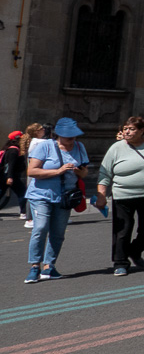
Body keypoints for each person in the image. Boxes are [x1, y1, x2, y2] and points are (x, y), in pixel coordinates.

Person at [97, 116, 144, 275]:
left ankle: (134, 250)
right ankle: (120, 262)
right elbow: (105, 173)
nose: (127, 132)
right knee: (122, 231)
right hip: (122, 196)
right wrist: (101, 195)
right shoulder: (116, 148)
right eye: (125, 128)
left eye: (131, 129)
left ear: (141, 131)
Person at [24, 117, 91, 283]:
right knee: (40, 227)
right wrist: (58, 171)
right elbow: (32, 171)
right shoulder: (45, 146)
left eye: (74, 136)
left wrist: (77, 171)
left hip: (65, 196)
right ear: (58, 134)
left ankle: (49, 266)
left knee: (58, 232)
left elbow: (84, 173)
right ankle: (34, 266)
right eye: (68, 136)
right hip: (41, 195)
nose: (71, 139)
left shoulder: (79, 147)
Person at [3, 130, 25, 218]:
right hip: (11, 176)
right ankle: (24, 212)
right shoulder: (14, 151)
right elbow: (11, 165)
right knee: (22, 193)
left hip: (6, 175)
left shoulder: (9, 149)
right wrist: (10, 177)